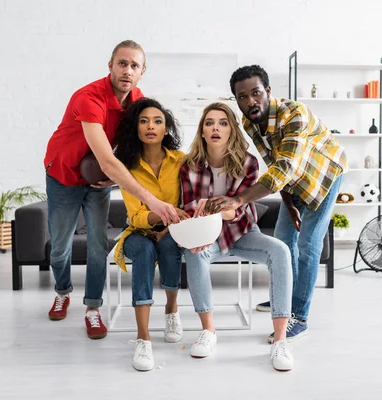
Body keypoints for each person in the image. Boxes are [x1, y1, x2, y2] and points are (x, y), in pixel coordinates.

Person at [43, 40, 181, 340]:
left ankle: (93, 309)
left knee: (97, 244)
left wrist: (115, 177)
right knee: (59, 246)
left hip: (98, 181)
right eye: (122, 63)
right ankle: (62, 291)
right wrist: (152, 200)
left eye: (135, 65)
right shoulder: (88, 98)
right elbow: (107, 158)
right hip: (63, 176)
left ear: (142, 72)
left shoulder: (137, 100)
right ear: (110, 66)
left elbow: (137, 144)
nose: (127, 70)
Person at [206, 65, 347, 343]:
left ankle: (298, 316)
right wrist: (288, 201)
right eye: (242, 97)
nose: (250, 102)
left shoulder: (295, 114)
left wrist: (238, 199)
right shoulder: (249, 122)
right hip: (293, 180)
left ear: (268, 91)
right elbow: (273, 163)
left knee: (308, 246)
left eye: (256, 93)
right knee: (283, 241)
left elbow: (285, 167)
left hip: (325, 175)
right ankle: (284, 299)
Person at [180, 102, 294, 371]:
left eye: (222, 122)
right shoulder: (189, 165)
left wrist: (218, 208)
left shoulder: (248, 163)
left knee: (281, 251)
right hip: (206, 233)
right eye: (209, 123)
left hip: (242, 233)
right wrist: (212, 214)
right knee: (193, 253)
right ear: (202, 131)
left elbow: (239, 212)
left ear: (231, 129)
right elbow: (188, 206)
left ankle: (280, 340)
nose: (216, 128)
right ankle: (209, 331)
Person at [113, 98, 189, 372]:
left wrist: (168, 225)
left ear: (166, 128)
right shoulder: (127, 166)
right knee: (145, 251)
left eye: (157, 121)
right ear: (136, 128)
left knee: (169, 245)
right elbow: (136, 216)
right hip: (138, 233)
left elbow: (187, 203)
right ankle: (143, 338)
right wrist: (162, 215)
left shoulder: (181, 161)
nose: (150, 126)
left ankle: (171, 310)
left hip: (173, 231)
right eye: (144, 121)